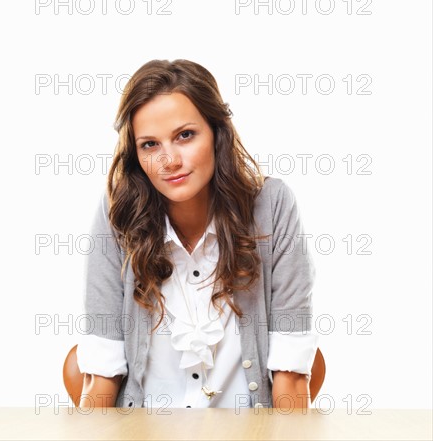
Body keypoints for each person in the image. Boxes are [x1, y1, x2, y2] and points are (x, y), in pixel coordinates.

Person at [76, 59, 318, 409]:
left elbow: (291, 374)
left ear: (217, 132)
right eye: (149, 145)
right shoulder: (118, 215)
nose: (169, 160)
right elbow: (102, 373)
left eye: (185, 135)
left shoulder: (272, 206)